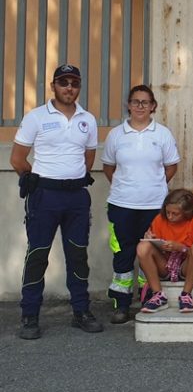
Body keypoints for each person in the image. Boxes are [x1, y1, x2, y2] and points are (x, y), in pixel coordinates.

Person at [11, 64, 102, 339]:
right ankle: (30, 315)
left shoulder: (88, 119)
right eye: (63, 83)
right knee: (38, 254)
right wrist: (35, 181)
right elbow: (17, 158)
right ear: (53, 86)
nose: (69, 88)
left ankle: (81, 311)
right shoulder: (36, 117)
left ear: (79, 87)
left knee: (78, 254)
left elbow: (88, 156)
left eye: (74, 83)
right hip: (45, 196)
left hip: (76, 196)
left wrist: (74, 177)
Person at [101, 84, 180, 324]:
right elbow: (108, 167)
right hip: (121, 205)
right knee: (122, 255)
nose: (140, 106)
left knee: (150, 252)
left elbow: (171, 166)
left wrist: (153, 186)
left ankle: (148, 299)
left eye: (145, 102)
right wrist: (126, 186)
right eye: (135, 101)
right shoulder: (116, 135)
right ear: (129, 104)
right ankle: (121, 304)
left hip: (154, 207)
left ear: (153, 106)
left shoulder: (162, 134)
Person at [137, 189, 193, 314]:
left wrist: (180, 248)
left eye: (175, 214)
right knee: (142, 246)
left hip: (187, 265)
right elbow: (153, 243)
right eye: (168, 212)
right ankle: (158, 295)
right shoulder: (160, 219)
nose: (170, 216)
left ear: (187, 212)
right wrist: (149, 239)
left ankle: (186, 295)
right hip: (165, 264)